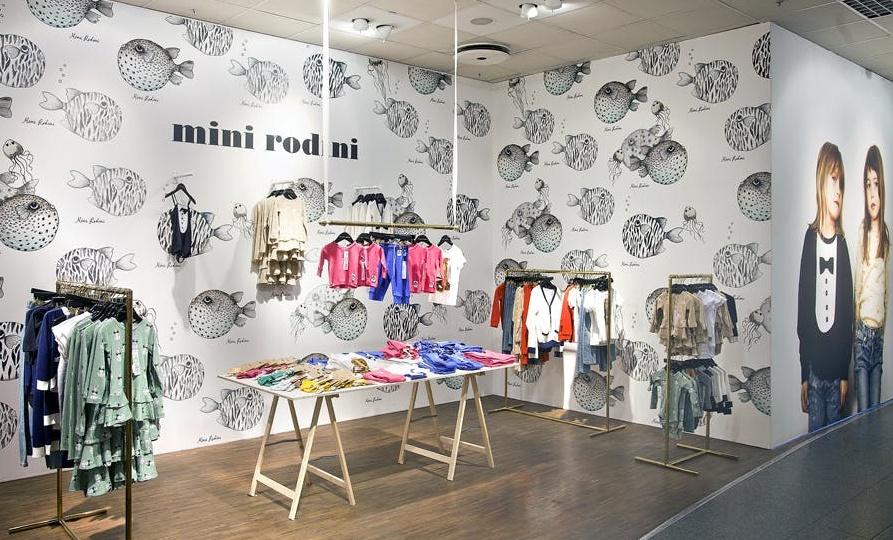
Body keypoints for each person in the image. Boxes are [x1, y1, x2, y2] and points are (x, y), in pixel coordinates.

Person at [797, 142, 854, 432]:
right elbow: (803, 312)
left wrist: (844, 373)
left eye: (841, 183)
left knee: (835, 440)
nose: (838, 190)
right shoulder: (810, 239)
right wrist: (803, 375)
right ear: (821, 181)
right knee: (814, 438)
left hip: (835, 370)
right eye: (833, 180)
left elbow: (846, 316)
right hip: (814, 369)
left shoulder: (842, 245)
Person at [854, 145, 889, 411]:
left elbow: (885, 287)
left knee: (876, 414)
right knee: (864, 414)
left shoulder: (885, 234)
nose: (872, 193)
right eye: (868, 185)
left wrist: (883, 325)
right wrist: (856, 327)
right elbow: (858, 285)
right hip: (863, 331)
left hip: (878, 334)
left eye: (876, 184)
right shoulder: (863, 231)